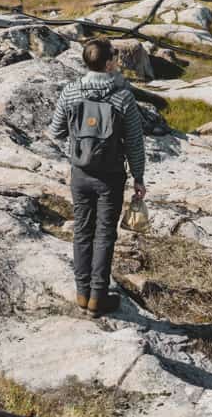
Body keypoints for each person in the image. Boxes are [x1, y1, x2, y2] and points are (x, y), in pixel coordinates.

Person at [48, 37, 146, 317]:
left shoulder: (70, 92)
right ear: (107, 64)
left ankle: (81, 293)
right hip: (111, 177)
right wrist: (138, 178)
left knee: (82, 231)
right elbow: (135, 143)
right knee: (104, 235)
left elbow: (55, 131)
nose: (117, 61)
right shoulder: (122, 97)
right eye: (114, 57)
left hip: (80, 173)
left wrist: (77, 146)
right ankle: (97, 297)